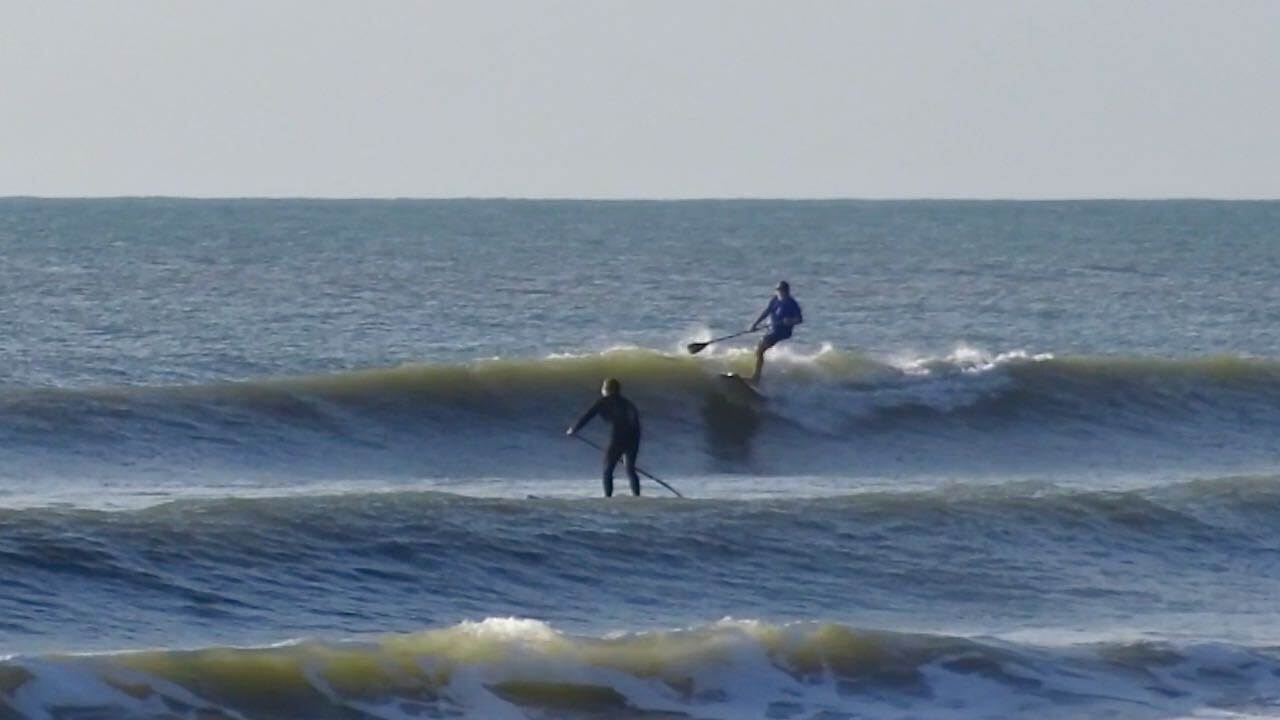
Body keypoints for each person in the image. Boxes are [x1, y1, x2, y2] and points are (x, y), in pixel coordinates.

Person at [566, 378, 642, 497]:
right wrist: (633, 441)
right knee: (630, 469)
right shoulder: (628, 403)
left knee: (608, 469)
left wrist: (574, 429)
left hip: (618, 437)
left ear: (606, 389)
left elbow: (588, 416)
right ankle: (637, 496)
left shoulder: (603, 401)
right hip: (633, 438)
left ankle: (608, 497)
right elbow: (636, 422)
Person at [748, 280, 803, 383]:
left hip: (782, 332)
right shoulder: (775, 299)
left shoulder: (792, 304)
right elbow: (766, 312)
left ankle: (756, 377)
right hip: (772, 330)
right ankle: (759, 375)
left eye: (781, 290)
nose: (779, 292)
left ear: (787, 291)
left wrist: (790, 320)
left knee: (760, 349)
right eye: (777, 290)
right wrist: (755, 324)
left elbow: (799, 319)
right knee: (759, 350)